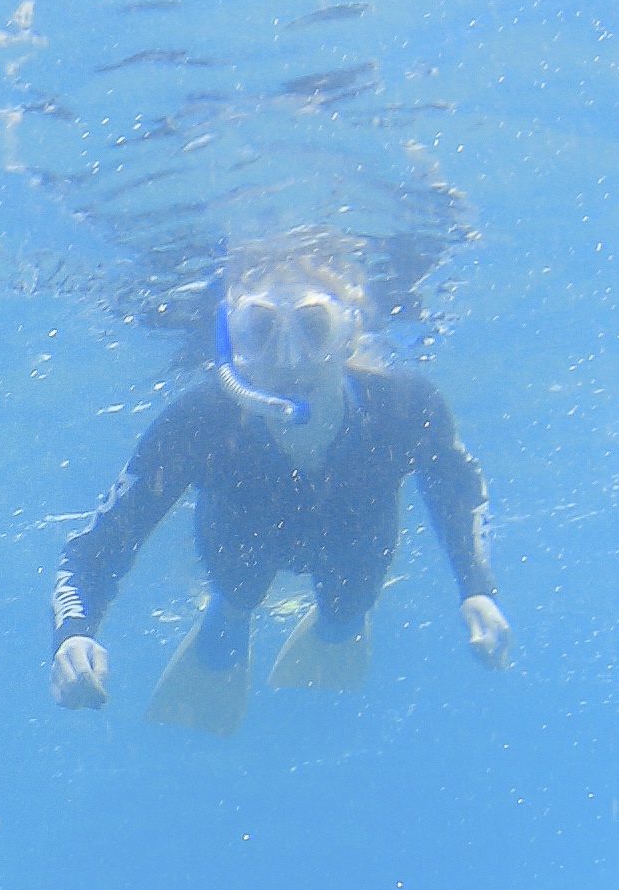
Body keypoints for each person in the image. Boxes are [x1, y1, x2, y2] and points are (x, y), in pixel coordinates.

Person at [49, 230, 513, 733]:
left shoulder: (403, 408)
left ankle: (319, 627)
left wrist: (476, 588)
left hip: (356, 546)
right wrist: (74, 633)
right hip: (240, 545)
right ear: (230, 340)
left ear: (351, 329)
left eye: (314, 325)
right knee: (238, 592)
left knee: (348, 605)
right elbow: (100, 544)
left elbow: (457, 491)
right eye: (261, 328)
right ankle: (228, 618)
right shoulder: (198, 423)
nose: (290, 358)